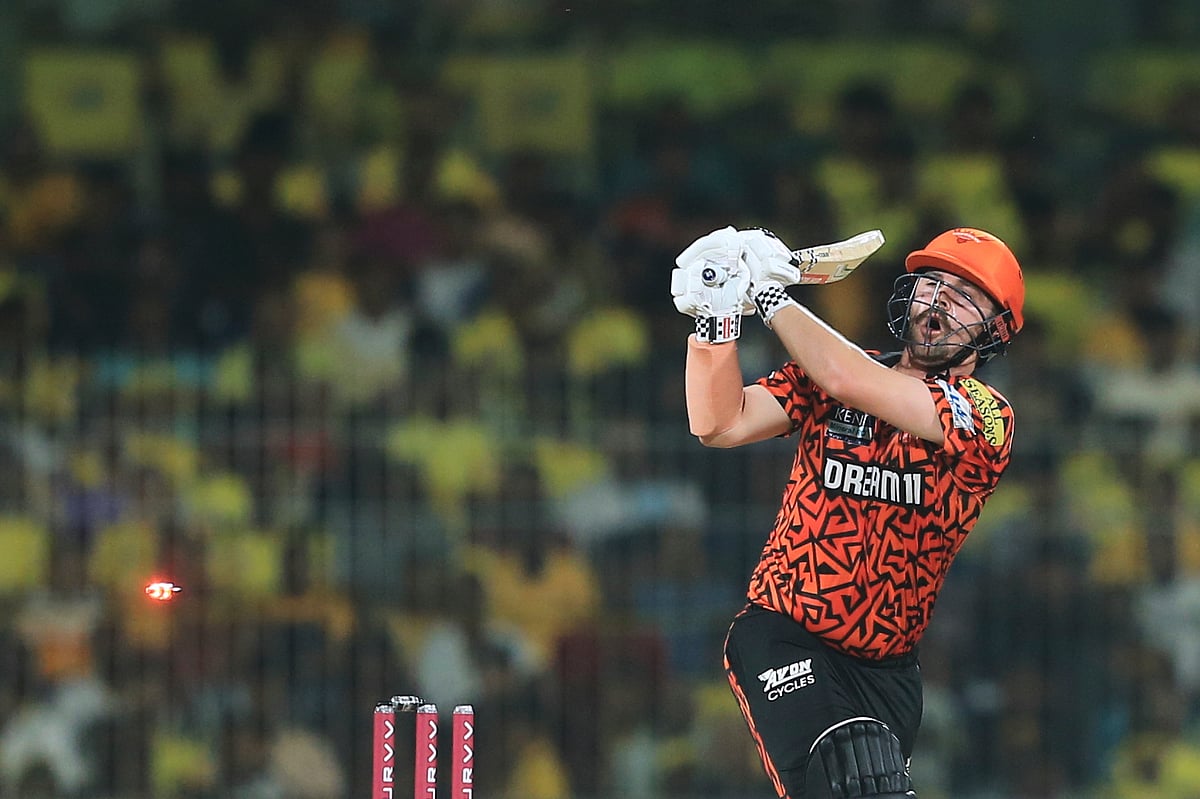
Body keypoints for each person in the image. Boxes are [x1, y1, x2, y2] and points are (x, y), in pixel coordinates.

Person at [670, 226, 1025, 799]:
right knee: (849, 770)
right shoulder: (837, 368)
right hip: (784, 632)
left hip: (888, 673)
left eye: (964, 297)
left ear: (996, 331)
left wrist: (769, 295)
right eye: (931, 284)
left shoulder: (986, 417)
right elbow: (720, 423)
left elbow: (850, 380)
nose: (939, 300)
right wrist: (715, 323)